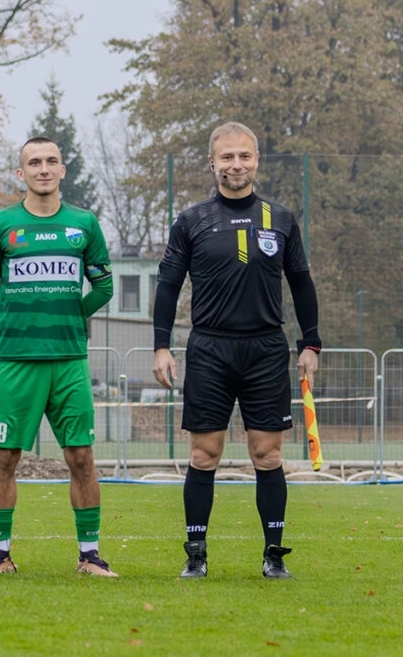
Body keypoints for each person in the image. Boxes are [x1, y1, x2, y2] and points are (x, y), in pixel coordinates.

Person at [152, 122, 320, 580]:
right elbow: (168, 284)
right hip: (209, 348)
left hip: (266, 349)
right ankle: (196, 554)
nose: (236, 164)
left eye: (244, 156)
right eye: (227, 157)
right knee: (204, 454)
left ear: (256, 160)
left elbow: (301, 283)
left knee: (267, 455)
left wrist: (311, 343)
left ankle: (273, 555)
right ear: (212, 162)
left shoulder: (280, 218)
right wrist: (161, 346)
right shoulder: (191, 220)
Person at [0, 137, 117, 577]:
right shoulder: (0, 224)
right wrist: (19, 316)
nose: (43, 169)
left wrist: (68, 315)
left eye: (51, 161)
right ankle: (0, 555)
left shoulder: (83, 223)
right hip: (17, 360)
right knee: (4, 458)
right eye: (34, 162)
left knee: (81, 458)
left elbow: (104, 286)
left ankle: (89, 556)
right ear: (21, 173)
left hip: (69, 360)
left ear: (62, 170)